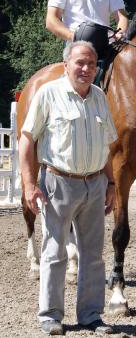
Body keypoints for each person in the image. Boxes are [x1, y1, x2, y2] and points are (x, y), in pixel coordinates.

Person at [19, 41, 118, 336]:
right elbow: (27, 140)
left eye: (91, 64)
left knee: (93, 254)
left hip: (95, 184)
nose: (86, 69)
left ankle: (90, 315)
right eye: (80, 63)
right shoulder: (48, 94)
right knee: (54, 251)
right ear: (66, 64)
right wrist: (29, 184)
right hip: (58, 183)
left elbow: (108, 145)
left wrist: (111, 183)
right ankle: (51, 316)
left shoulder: (100, 97)